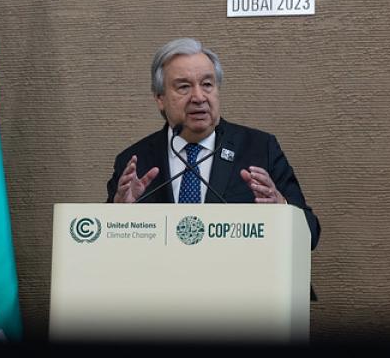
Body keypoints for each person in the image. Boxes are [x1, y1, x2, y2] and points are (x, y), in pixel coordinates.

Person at [106, 37, 320, 250]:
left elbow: (310, 235)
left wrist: (281, 208)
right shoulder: (135, 161)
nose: (199, 97)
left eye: (207, 84)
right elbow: (106, 248)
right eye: (183, 87)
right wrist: (119, 215)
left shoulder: (259, 149)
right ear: (160, 98)